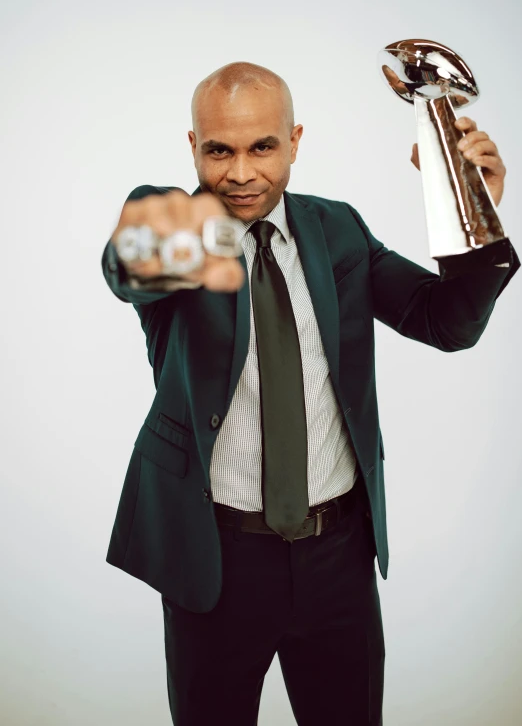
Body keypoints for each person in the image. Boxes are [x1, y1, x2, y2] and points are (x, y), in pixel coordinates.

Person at [101, 61, 519, 726]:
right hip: (217, 563)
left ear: (295, 141)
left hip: (337, 559)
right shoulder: (182, 230)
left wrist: (474, 213)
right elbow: (129, 265)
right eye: (220, 150)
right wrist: (173, 234)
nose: (241, 172)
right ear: (194, 147)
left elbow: (447, 321)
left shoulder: (338, 232)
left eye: (262, 147)